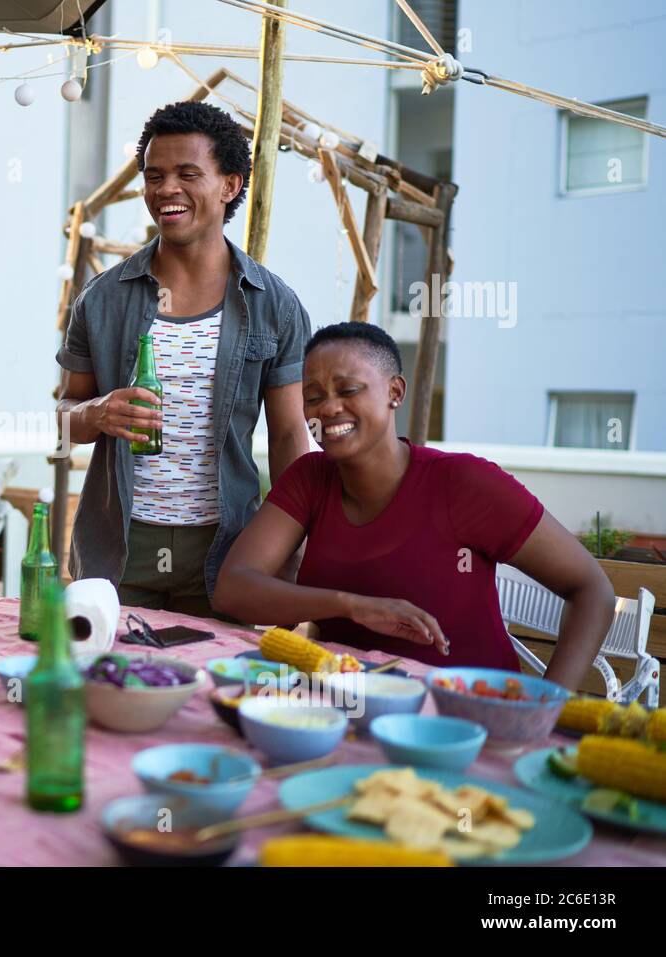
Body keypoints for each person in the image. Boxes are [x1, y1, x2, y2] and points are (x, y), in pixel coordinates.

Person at [213, 321, 613, 687]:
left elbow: (591, 588)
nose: (328, 408)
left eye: (348, 390)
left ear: (395, 392)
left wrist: (549, 704)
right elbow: (233, 588)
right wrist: (350, 606)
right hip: (347, 708)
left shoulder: (464, 483)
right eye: (312, 396)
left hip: (467, 714)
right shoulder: (310, 478)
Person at [56, 101, 312, 617]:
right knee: (110, 686)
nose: (165, 189)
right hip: (117, 550)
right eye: (155, 176)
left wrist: (295, 546)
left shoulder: (274, 304)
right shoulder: (101, 299)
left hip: (229, 552)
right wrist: (98, 412)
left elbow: (289, 437)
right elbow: (64, 420)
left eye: (187, 174)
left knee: (214, 689)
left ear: (230, 185)